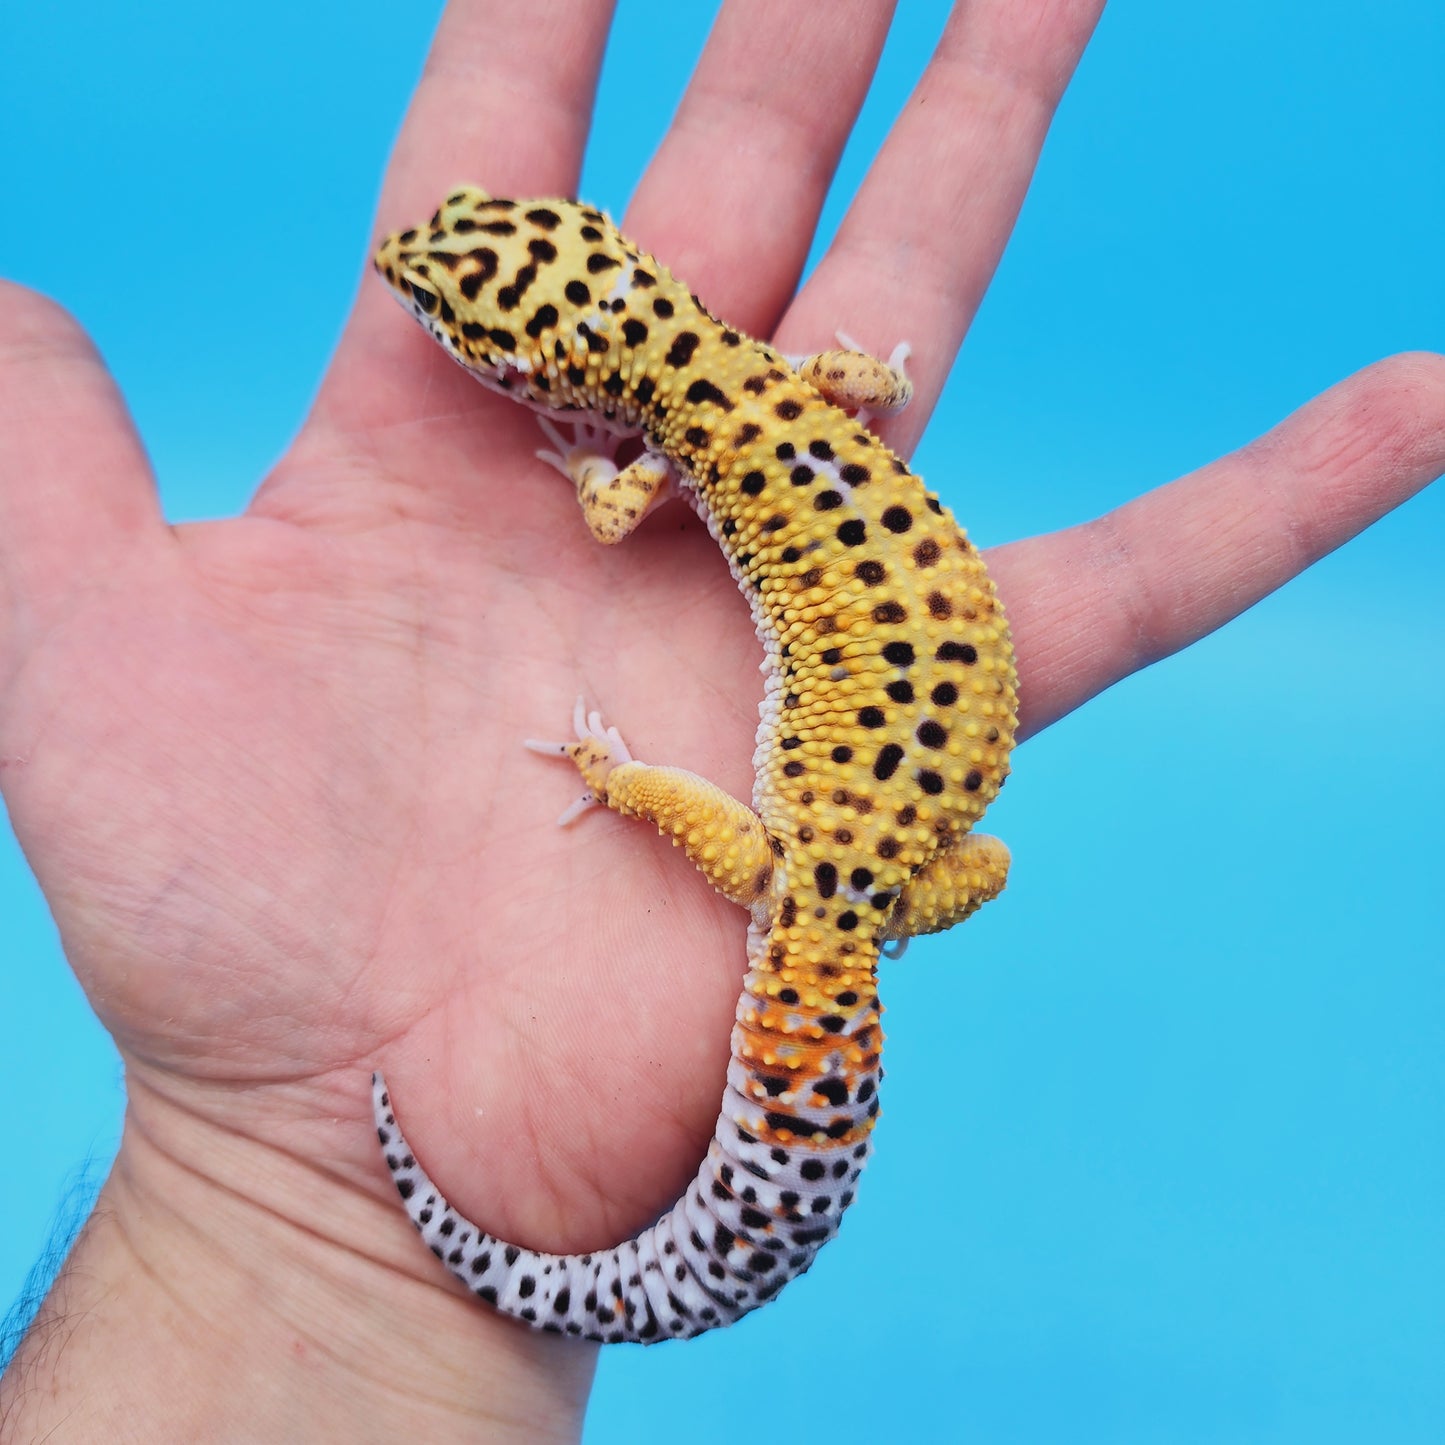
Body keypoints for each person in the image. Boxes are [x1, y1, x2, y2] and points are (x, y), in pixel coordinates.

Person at [1, 1, 1440, 1437]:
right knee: (895, 869)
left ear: (542, 368)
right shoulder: (767, 377)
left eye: (454, 308)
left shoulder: (676, 455)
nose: (417, 288)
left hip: (857, 836)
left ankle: (632, 791)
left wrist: (613, 742)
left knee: (776, 863)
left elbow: (621, 507)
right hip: (901, 757)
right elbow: (860, 385)